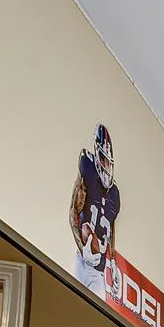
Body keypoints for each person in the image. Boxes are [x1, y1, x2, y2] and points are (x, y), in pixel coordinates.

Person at [69, 125, 119, 298]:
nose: (106, 166)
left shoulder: (115, 195)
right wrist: (83, 249)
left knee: (95, 310)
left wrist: (112, 261)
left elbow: (111, 226)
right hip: (81, 260)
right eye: (103, 160)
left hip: (98, 271)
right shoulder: (87, 168)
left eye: (108, 162)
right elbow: (73, 213)